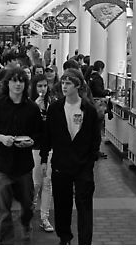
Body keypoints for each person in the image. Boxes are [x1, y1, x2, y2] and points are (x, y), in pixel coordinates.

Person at [40, 68, 101, 245]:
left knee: (84, 206)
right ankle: (65, 237)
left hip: (83, 166)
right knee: (62, 205)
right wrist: (44, 159)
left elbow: (95, 139)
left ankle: (84, 242)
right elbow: (47, 136)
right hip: (61, 164)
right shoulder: (55, 109)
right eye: (63, 83)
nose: (64, 86)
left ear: (78, 86)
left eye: (69, 83)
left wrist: (90, 160)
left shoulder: (88, 110)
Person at [0, 67, 43, 244]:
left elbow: (39, 132)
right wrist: (2, 138)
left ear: (26, 84)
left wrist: (31, 141)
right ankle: (6, 243)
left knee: (27, 205)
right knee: (4, 210)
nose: (18, 84)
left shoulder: (32, 108)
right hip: (2, 164)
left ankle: (25, 224)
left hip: (24, 165)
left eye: (21, 81)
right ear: (7, 83)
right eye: (14, 80)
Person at [29, 74, 54, 233]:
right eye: (39, 86)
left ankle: (44, 217)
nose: (42, 89)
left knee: (47, 182)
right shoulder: (29, 104)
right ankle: (30, 206)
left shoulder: (52, 103)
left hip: (50, 146)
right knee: (36, 182)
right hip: (35, 147)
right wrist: (34, 109)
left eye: (45, 86)